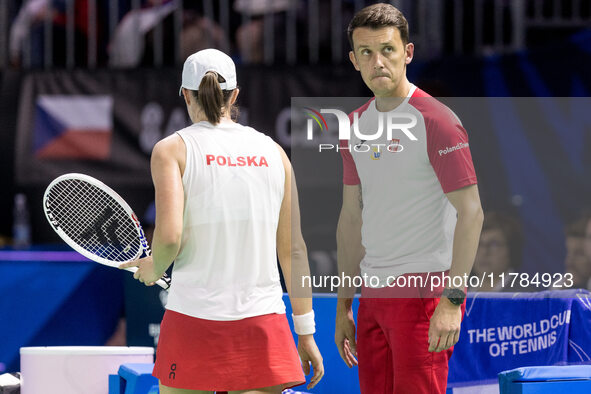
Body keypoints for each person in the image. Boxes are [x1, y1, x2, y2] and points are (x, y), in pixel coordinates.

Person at [120, 48, 323, 393]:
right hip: (263, 324)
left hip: (192, 321)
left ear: (184, 94)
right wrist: (305, 331)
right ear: (235, 95)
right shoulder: (275, 152)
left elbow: (169, 238)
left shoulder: (172, 150)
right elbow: (295, 252)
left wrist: (154, 269)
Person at [333, 4, 483, 394]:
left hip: (425, 295)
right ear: (353, 60)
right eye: (366, 52)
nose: (377, 61)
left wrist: (452, 301)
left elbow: (472, 214)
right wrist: (344, 304)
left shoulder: (438, 121)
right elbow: (351, 219)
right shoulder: (352, 125)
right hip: (372, 297)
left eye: (388, 50)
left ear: (408, 53)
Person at [471, 212, 523, 292]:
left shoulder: (524, 297)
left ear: (512, 250)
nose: (484, 252)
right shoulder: (456, 291)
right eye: (479, 244)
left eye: (494, 244)